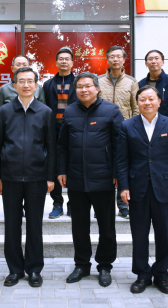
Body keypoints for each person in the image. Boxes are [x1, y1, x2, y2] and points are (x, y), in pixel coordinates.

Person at [117, 86, 168, 294]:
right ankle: (142, 274)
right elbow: (122, 160)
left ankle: (162, 275)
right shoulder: (127, 125)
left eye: (151, 99)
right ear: (137, 103)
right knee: (139, 234)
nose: (147, 103)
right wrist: (123, 187)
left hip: (164, 188)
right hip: (137, 188)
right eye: (142, 99)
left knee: (164, 233)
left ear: (159, 101)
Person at [0, 67, 56, 288]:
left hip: (37, 177)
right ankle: (15, 269)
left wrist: (50, 177)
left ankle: (34, 269)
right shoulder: (4, 111)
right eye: (21, 81)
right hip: (9, 177)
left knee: (35, 225)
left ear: (36, 85)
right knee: (12, 225)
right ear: (14, 85)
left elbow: (51, 146)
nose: (26, 85)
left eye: (30, 81)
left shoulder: (45, 112)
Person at [57, 72, 123, 287]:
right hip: (76, 178)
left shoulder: (111, 110)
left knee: (106, 226)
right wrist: (62, 170)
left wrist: (117, 172)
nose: (84, 90)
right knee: (79, 226)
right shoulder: (70, 111)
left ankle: (105, 265)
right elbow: (62, 145)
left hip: (103, 178)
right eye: (80, 87)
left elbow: (120, 145)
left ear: (97, 88)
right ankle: (82, 264)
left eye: (88, 86)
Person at [98, 45, 139, 219]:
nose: (115, 60)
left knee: (123, 165)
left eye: (118, 56)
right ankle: (102, 206)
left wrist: (134, 128)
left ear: (124, 59)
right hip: (102, 130)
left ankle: (123, 205)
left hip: (125, 130)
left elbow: (136, 107)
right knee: (104, 166)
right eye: (112, 57)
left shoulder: (132, 82)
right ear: (107, 60)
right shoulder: (98, 81)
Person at [43, 47, 78, 219]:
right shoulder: (48, 84)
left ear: (72, 62)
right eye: (61, 59)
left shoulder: (79, 82)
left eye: (67, 59)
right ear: (56, 62)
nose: (64, 61)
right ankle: (57, 203)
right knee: (54, 166)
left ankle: (72, 203)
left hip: (74, 131)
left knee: (73, 166)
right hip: (53, 130)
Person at [138, 49, 168, 115]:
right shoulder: (141, 83)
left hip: (167, 119)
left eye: (157, 58)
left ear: (163, 62)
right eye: (150, 59)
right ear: (146, 64)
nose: (153, 61)